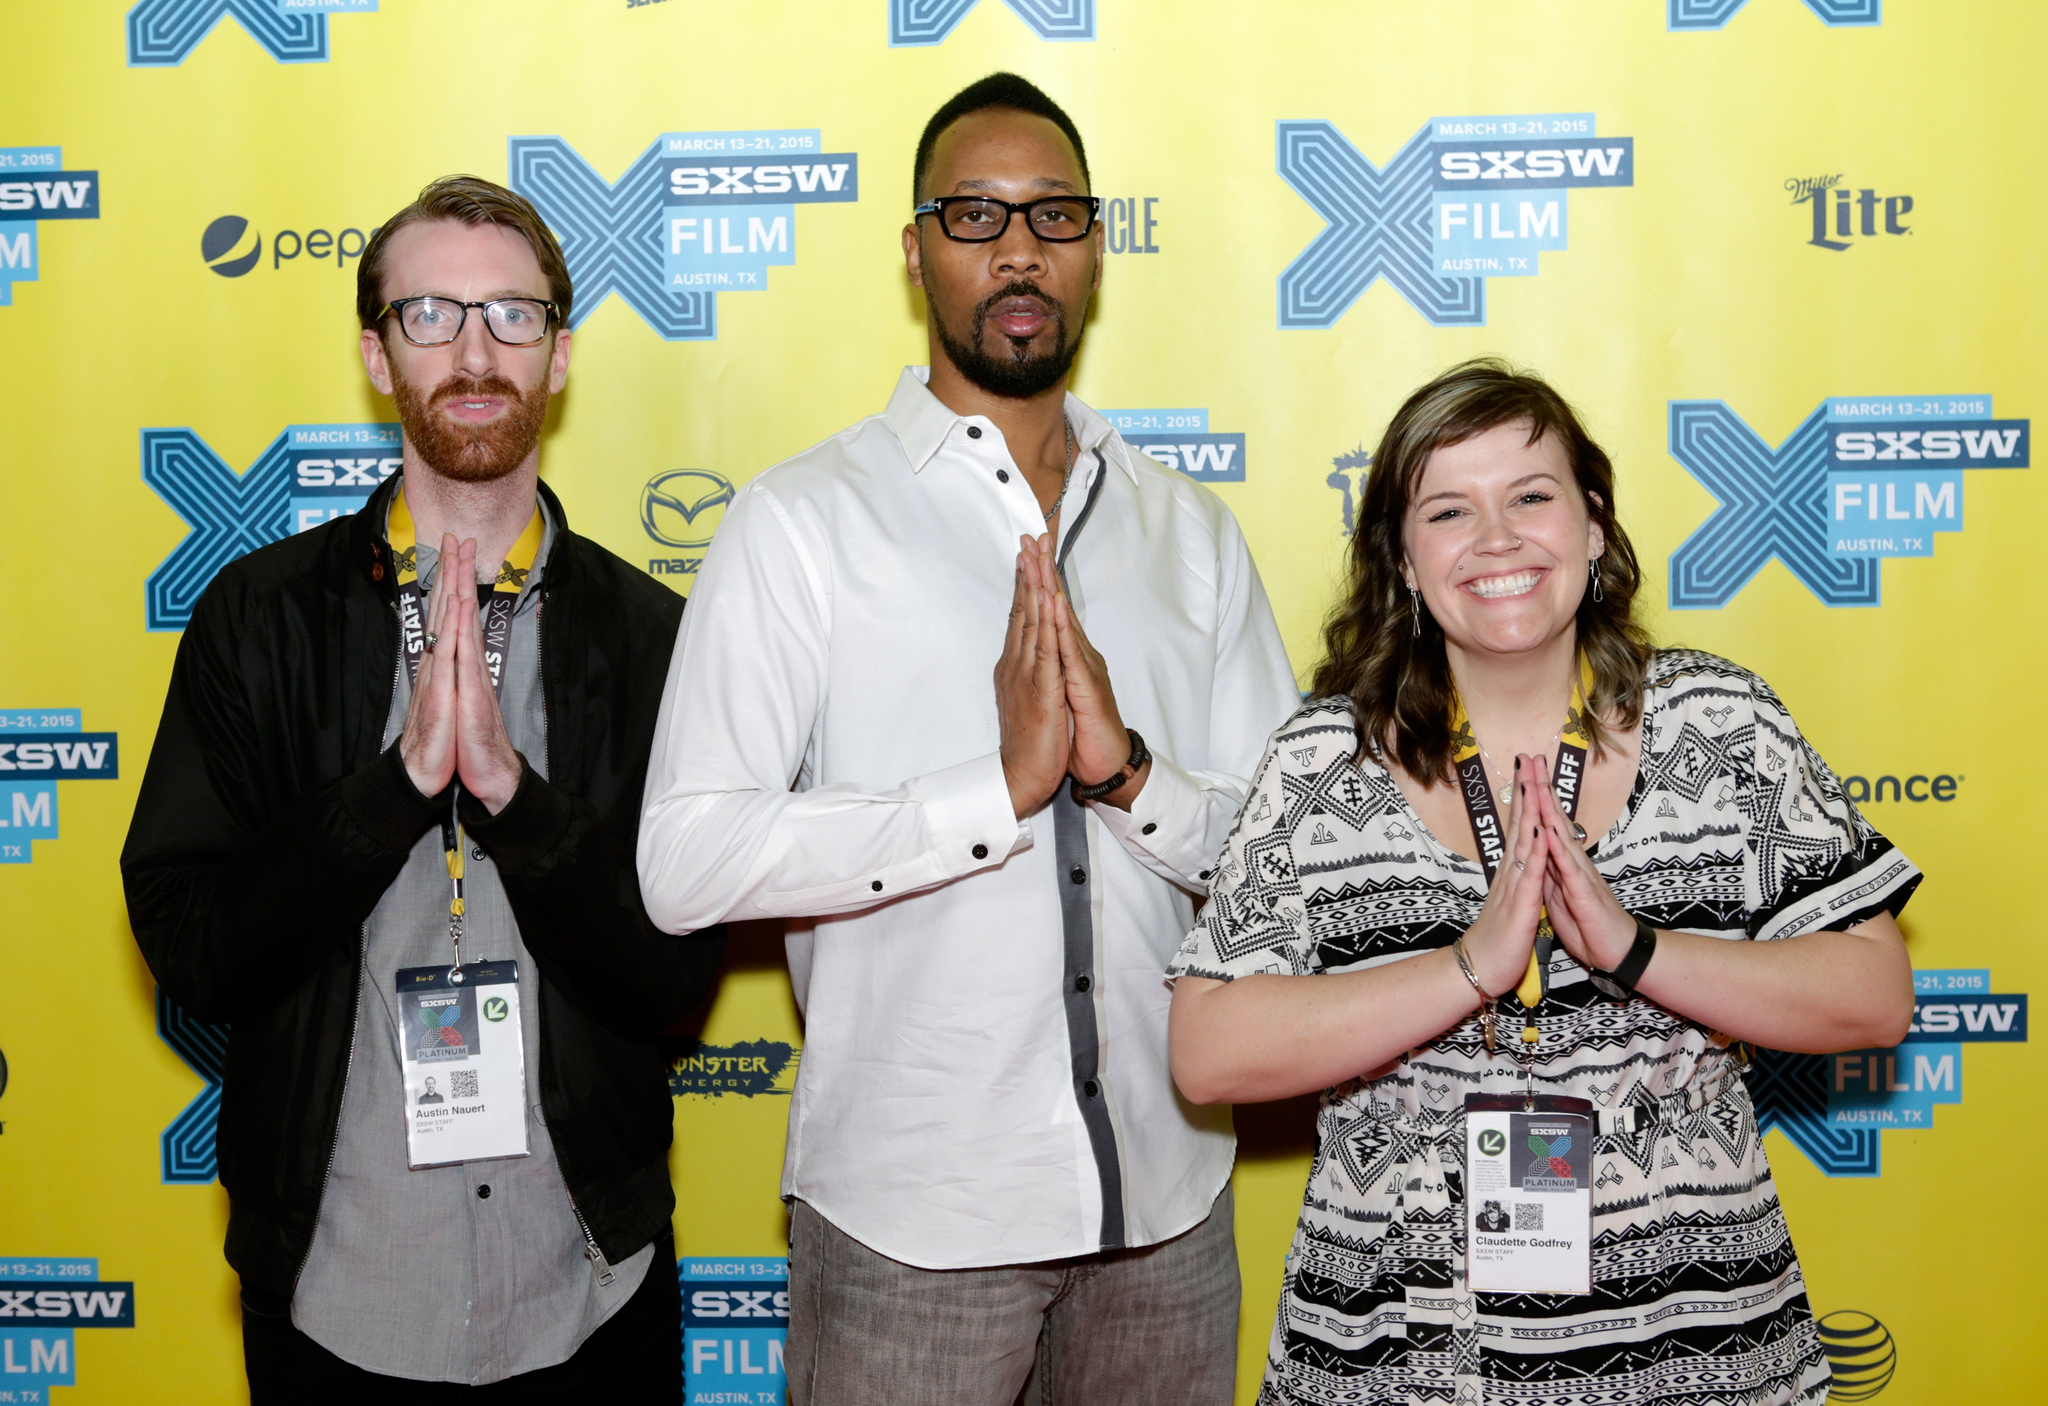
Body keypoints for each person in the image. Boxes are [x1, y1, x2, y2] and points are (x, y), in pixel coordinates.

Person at [636, 73, 1297, 1405]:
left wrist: (1125, 776)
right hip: (909, 1233)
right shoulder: (799, 524)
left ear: (1098, 246)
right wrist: (990, 792)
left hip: (1166, 1216)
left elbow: (1296, 857)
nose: (1016, 247)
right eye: (974, 214)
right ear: (914, 247)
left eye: (1052, 215)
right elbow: (685, 862)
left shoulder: (1189, 530)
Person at [1166, 360, 1920, 1406]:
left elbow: (1874, 994)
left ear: (1593, 526)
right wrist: (1470, 964)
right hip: (1400, 1357)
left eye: (1530, 495)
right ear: (1400, 558)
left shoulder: (1721, 724)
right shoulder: (1319, 761)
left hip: (1690, 1347)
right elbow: (1207, 1050)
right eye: (1446, 510)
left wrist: (1634, 948)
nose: (1496, 538)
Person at [122, 176, 723, 1402]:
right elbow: (191, 944)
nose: (472, 351)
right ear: (374, 351)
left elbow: (675, 979)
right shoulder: (258, 617)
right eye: (430, 313)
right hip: (339, 1291)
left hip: (585, 1284)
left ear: (560, 355)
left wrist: (513, 795)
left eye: (511, 315)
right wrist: (396, 787)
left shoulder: (651, 634)